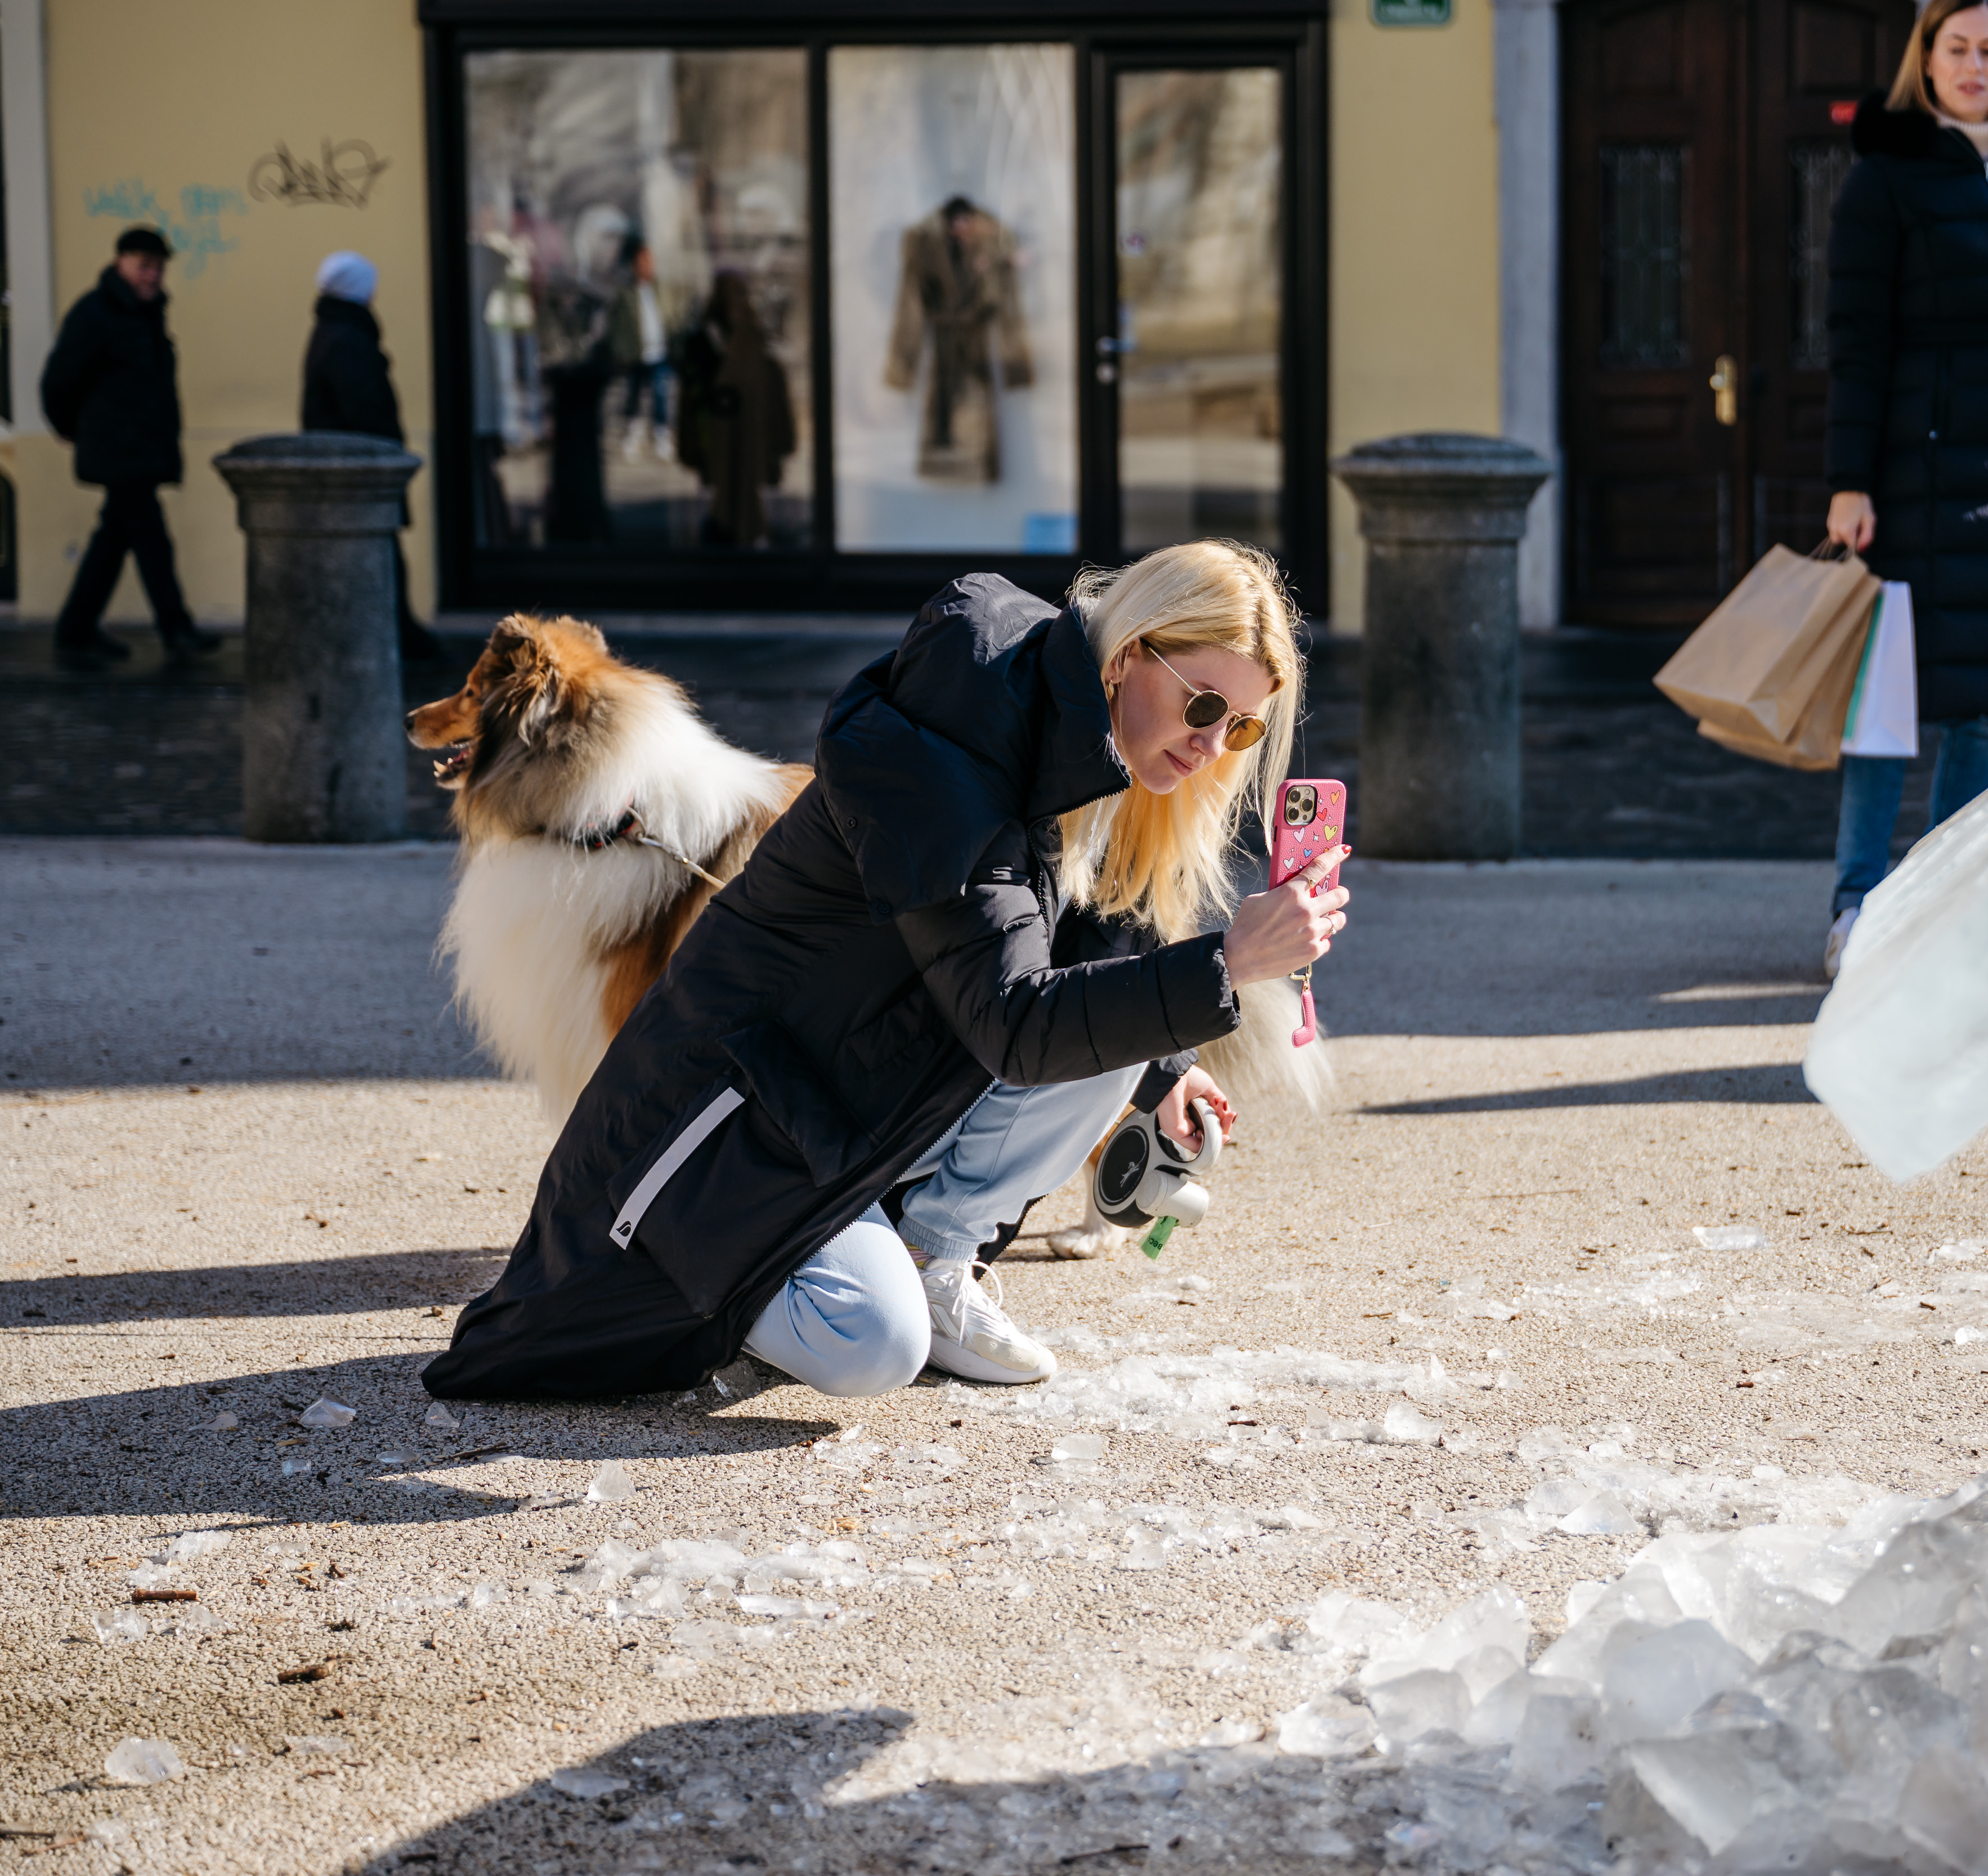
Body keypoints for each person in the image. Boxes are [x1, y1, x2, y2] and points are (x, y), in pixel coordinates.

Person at [423, 541, 1346, 1402]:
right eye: (1202, 706)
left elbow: (1046, 957)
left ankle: (931, 1257)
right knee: (871, 1344)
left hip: (848, 1121)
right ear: (1128, 657)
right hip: (721, 1141)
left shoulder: (1071, 751)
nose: (1214, 744)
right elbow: (1015, 1019)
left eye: (1243, 726)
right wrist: (1228, 960)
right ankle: (821, 1282)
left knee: (1141, 1017)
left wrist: (1163, 1073)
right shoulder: (953, 744)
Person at [1819, 0, 1988, 977]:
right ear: (1926, 62)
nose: (1976, 66)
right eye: (1957, 49)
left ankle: (1944, 897)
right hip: (1910, 466)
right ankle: (1858, 902)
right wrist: (1850, 480)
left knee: (1985, 695)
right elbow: (1857, 340)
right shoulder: (1882, 179)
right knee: (1882, 702)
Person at [39, 226, 218, 671]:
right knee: (151, 538)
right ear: (121, 262)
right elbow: (58, 381)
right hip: (118, 449)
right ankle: (175, 626)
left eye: (158, 267)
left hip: (140, 447)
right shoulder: (96, 313)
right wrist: (68, 428)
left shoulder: (145, 312)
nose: (152, 275)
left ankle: (76, 629)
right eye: (144, 266)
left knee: (115, 539)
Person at [299, 250, 440, 662]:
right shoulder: (347, 338)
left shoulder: (333, 331)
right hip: (361, 472)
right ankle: (403, 639)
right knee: (380, 556)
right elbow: (364, 409)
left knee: (379, 555)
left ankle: (403, 635)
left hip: (353, 469)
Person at [676, 271, 795, 545]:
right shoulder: (707, 341)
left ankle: (737, 533)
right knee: (729, 489)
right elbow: (692, 395)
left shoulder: (752, 338)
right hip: (720, 429)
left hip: (746, 427)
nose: (737, 302)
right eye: (731, 295)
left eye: (740, 294)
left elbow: (771, 390)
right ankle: (730, 532)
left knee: (742, 489)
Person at [610, 234, 682, 462]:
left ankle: (661, 434)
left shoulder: (661, 290)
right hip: (636, 352)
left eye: (649, 262)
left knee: (661, 393)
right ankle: (634, 434)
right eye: (642, 262)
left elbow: (671, 318)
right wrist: (621, 352)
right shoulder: (627, 294)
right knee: (634, 394)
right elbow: (619, 326)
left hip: (659, 350)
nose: (646, 266)